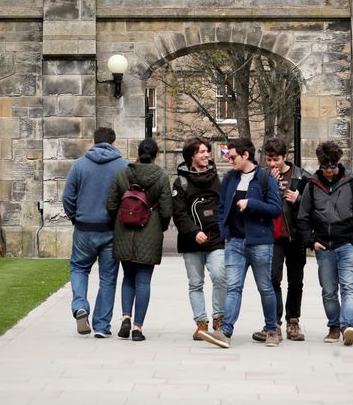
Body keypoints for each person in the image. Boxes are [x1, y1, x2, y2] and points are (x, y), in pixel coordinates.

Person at [199, 137, 281, 349]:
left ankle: (272, 329)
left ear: (246, 155)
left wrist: (251, 203)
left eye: (233, 156)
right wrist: (223, 231)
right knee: (234, 287)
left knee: (265, 287)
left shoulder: (265, 177)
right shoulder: (230, 178)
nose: (230, 160)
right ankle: (225, 331)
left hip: (260, 243)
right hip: (235, 242)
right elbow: (222, 206)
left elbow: (275, 209)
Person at [296, 140, 353, 346]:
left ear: (338, 163)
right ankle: (334, 327)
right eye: (325, 166)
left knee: (349, 287)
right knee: (329, 291)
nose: (329, 171)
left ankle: (348, 326)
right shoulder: (312, 186)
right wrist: (311, 241)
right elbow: (303, 217)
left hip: (348, 245)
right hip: (324, 247)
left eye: (333, 166)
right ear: (319, 165)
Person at [62, 127, 128, 338]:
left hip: (84, 227)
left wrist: (75, 217)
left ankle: (80, 305)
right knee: (108, 278)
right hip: (110, 229)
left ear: (94, 141)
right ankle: (101, 326)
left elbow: (68, 198)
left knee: (80, 268)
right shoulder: (123, 166)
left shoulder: (80, 165)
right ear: (114, 142)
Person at [106, 138, 172, 342]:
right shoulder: (161, 176)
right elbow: (166, 209)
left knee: (127, 278)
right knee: (143, 281)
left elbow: (111, 204)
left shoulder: (123, 173)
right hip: (149, 231)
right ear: (156, 154)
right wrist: (158, 227)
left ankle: (126, 316)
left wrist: (120, 220)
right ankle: (137, 328)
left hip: (124, 231)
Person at [249, 137, 310, 343]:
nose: (272, 164)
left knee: (295, 281)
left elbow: (313, 206)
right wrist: (271, 184)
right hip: (271, 237)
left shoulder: (301, 177)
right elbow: (256, 203)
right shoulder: (262, 177)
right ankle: (274, 324)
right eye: (269, 159)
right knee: (273, 279)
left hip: (295, 236)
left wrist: (299, 200)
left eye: (276, 159)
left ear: (285, 157)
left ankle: (293, 320)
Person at [172, 137, 226, 340]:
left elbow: (225, 208)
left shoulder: (220, 179)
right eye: (201, 152)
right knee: (195, 283)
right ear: (191, 156)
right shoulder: (181, 182)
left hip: (217, 240)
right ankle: (201, 324)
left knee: (220, 276)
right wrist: (194, 232)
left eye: (207, 151)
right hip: (191, 241)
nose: (206, 155)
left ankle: (219, 319)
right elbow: (179, 214)